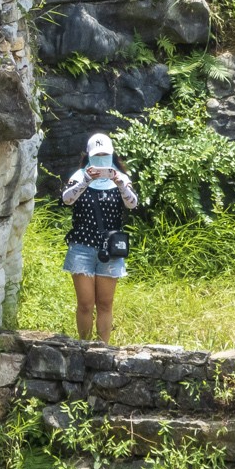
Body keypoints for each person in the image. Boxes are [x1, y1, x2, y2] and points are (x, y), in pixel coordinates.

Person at [61, 131, 139, 344]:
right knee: (85, 303)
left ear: (112, 155)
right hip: (81, 248)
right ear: (89, 155)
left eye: (105, 155)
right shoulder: (78, 176)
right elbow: (67, 200)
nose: (101, 159)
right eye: (97, 155)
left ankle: (103, 349)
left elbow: (133, 204)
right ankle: (84, 346)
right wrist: (86, 180)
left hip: (110, 250)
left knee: (105, 304)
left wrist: (120, 183)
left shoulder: (121, 179)